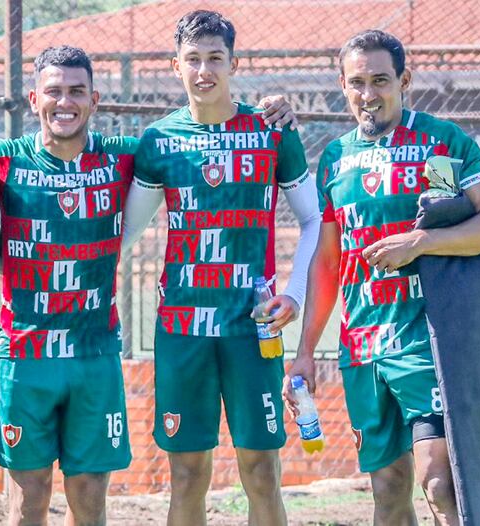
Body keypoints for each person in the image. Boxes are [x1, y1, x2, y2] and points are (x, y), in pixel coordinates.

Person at [0, 44, 296, 525]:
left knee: (90, 498)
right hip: (24, 357)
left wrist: (267, 111)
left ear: (95, 100)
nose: (65, 102)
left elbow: (196, 138)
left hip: (94, 354)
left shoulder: (128, 155)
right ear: (34, 99)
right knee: (28, 499)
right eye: (54, 91)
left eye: (77, 91)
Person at [284, 29, 480, 526]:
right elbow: (327, 263)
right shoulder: (336, 159)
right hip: (362, 345)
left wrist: (421, 242)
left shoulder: (436, 145)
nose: (368, 94)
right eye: (357, 82)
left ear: (404, 81)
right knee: (388, 491)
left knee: (440, 482)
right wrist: (304, 351)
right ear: (342, 86)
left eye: (380, 81)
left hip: (427, 338)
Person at [121, 10, 321, 525]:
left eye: (215, 58)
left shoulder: (271, 130)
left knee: (261, 473)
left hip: (252, 329)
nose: (204, 70)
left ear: (234, 63)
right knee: (187, 475)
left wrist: (295, 294)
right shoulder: (158, 140)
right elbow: (123, 236)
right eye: (193, 59)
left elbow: (314, 221)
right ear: (176, 66)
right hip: (182, 330)